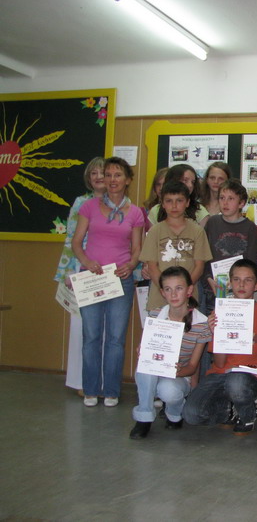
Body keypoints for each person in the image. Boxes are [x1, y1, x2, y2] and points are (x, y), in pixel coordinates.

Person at [71, 156, 145, 407]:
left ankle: (111, 391)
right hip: (91, 278)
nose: (112, 180)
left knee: (115, 338)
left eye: (118, 175)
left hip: (119, 281)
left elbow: (137, 249)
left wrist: (131, 265)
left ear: (128, 180)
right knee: (91, 336)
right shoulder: (89, 206)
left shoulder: (135, 212)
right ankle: (91, 390)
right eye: (109, 175)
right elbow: (76, 242)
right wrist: (87, 261)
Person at [183, 259, 257, 435]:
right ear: (230, 283)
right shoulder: (220, 313)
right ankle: (228, 410)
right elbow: (219, 363)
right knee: (191, 415)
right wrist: (217, 333)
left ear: (256, 285)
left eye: (248, 280)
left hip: (249, 377)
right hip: (220, 374)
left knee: (236, 382)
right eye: (236, 279)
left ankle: (247, 415)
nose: (241, 285)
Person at [129, 266, 212, 439]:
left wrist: (176, 371)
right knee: (145, 366)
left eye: (179, 288)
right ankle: (144, 417)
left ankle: (174, 413)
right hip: (154, 372)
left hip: (179, 375)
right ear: (162, 293)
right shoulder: (155, 315)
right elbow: (145, 351)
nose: (173, 294)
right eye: (168, 289)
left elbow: (192, 366)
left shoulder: (201, 324)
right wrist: (142, 350)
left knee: (169, 391)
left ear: (189, 290)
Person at [54, 157, 105, 393]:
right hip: (83, 268)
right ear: (88, 178)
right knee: (81, 327)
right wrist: (67, 271)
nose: (98, 177)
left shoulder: (120, 204)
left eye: (103, 172)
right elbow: (71, 238)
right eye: (94, 173)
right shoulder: (81, 202)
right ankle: (81, 381)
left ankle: (103, 382)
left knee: (106, 330)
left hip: (108, 271)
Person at [140, 181, 212, 312]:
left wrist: (184, 290)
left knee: (188, 325)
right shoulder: (155, 231)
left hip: (189, 297)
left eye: (179, 200)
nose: (174, 206)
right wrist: (166, 290)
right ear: (162, 204)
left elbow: (199, 267)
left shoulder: (197, 231)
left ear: (187, 202)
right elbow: (152, 267)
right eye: (169, 201)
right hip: (159, 297)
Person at [202, 179, 257, 315]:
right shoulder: (212, 222)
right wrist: (208, 278)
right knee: (213, 322)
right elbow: (203, 255)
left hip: (241, 291)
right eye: (222, 198)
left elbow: (252, 260)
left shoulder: (250, 227)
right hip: (214, 287)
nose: (225, 203)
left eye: (231, 199)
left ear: (241, 203)